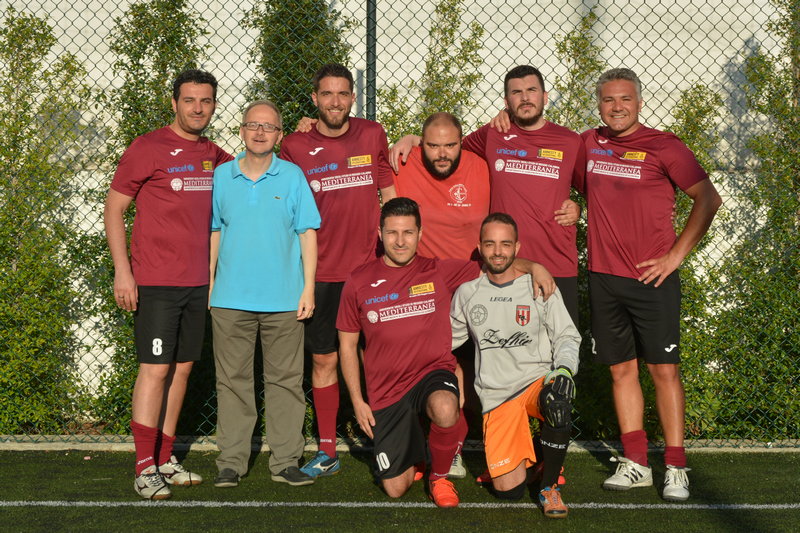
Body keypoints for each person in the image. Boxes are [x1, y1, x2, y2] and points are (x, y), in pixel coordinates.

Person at [336, 197, 554, 508]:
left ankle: (439, 477)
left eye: (408, 232)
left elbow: (495, 264)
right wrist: (359, 401)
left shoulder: (437, 271)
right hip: (387, 390)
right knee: (395, 489)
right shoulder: (358, 281)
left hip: (432, 372)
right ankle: (417, 454)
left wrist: (535, 267)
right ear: (380, 234)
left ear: (420, 234)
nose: (400, 241)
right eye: (393, 232)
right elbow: (347, 344)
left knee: (445, 406)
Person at [584, 68, 721, 501]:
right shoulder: (588, 144)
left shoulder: (665, 146)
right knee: (621, 370)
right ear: (599, 105)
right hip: (604, 278)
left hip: (652, 279)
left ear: (639, 103)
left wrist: (675, 256)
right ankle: (637, 463)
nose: (617, 107)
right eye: (608, 99)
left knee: (664, 370)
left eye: (625, 99)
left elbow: (708, 198)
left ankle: (676, 467)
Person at [104, 69, 232, 500]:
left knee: (181, 370)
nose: (198, 108)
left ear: (214, 105)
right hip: (156, 281)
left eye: (206, 101)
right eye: (190, 100)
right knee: (156, 369)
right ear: (174, 102)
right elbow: (114, 208)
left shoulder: (215, 156)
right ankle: (143, 467)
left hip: (198, 283)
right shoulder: (147, 147)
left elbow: (256, 161)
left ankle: (164, 458)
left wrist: (297, 132)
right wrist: (123, 271)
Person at [391, 65, 584, 325]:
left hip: (557, 262)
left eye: (531, 90)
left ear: (545, 96)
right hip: (505, 264)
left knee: (563, 343)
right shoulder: (493, 133)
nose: (525, 98)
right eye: (516, 92)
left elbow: (593, 189)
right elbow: (451, 146)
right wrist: (414, 138)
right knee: (506, 343)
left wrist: (579, 208)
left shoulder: (570, 141)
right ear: (506, 101)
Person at [280, 64, 396, 478]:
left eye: (343, 94)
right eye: (326, 94)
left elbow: (389, 192)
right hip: (321, 275)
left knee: (378, 359)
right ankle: (328, 450)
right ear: (314, 99)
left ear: (353, 98)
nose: (335, 102)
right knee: (324, 360)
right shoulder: (294, 144)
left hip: (369, 272)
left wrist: (394, 254)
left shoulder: (372, 133)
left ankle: (389, 440)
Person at [209, 100, 320, 489]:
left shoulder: (292, 176)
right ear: (241, 130)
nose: (260, 132)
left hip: (284, 301)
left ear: (279, 135)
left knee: (286, 382)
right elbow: (215, 231)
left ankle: (286, 461)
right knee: (232, 383)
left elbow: (307, 232)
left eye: (268, 127)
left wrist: (308, 288)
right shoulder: (222, 177)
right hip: (230, 300)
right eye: (253, 125)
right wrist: (211, 285)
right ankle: (231, 463)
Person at [451, 213, 580, 518]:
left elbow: (567, 336)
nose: (498, 251)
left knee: (558, 399)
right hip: (498, 395)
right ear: (479, 248)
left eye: (505, 244)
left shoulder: (538, 285)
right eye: (490, 244)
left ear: (517, 248)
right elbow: (443, 342)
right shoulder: (468, 293)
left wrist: (564, 369)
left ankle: (550, 488)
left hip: (537, 382)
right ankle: (538, 453)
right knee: (509, 491)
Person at [392, 111, 490, 479]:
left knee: (472, 373)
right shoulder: (403, 161)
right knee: (425, 372)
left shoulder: (482, 166)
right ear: (422, 144)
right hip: (422, 290)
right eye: (433, 145)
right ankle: (431, 447)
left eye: (450, 145)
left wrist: (573, 206)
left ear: (462, 142)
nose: (443, 153)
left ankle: (461, 446)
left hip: (474, 287)